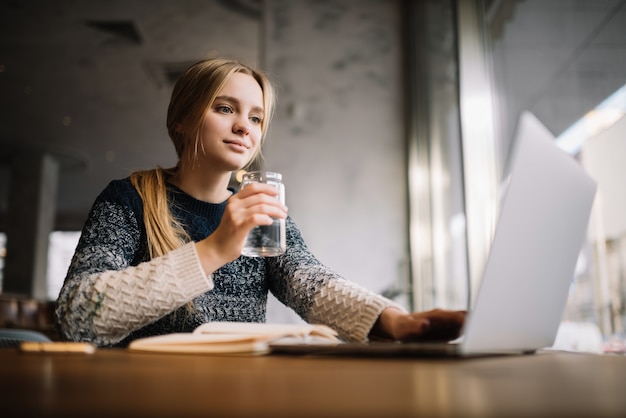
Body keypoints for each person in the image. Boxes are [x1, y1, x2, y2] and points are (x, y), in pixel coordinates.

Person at [55, 57, 465, 348]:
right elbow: (77, 315)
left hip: (241, 389)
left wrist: (397, 321)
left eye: (256, 118)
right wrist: (215, 249)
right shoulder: (129, 200)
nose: (243, 127)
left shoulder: (258, 209)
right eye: (224, 108)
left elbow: (310, 284)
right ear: (181, 119)